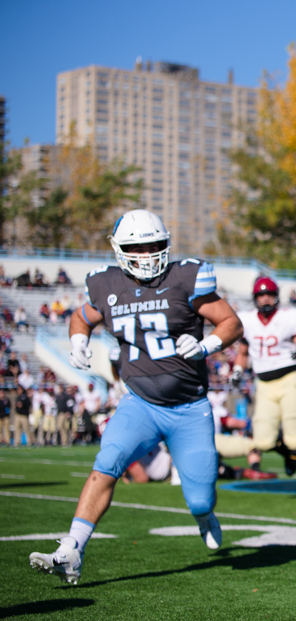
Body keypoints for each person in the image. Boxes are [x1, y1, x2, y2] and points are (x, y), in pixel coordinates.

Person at [28, 209, 243, 584]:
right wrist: (79, 339)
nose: (145, 255)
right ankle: (72, 548)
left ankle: (205, 517)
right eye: (136, 247)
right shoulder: (107, 285)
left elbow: (231, 322)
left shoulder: (184, 278)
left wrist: (206, 344)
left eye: (153, 246)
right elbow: (82, 316)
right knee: (107, 462)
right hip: (140, 403)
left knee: (200, 499)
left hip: (190, 408)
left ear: (167, 245)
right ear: (118, 250)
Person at [230, 275, 296, 501]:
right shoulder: (247, 320)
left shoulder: (289, 317)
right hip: (264, 383)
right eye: (261, 295)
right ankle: (290, 455)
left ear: (276, 296)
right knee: (263, 441)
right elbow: (242, 353)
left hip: (289, 379)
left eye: (269, 294)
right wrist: (238, 371)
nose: (265, 298)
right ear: (255, 297)